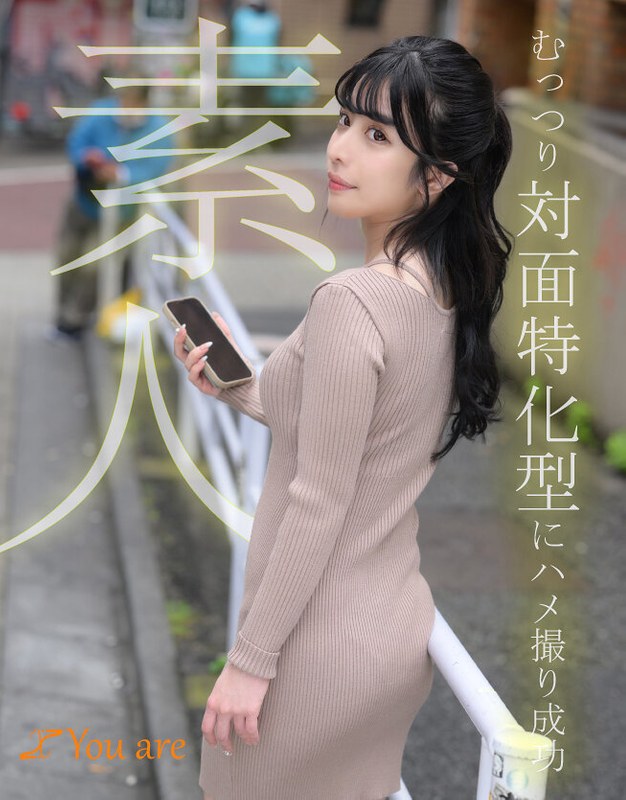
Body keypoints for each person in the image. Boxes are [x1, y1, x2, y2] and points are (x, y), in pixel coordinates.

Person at [174, 35, 512, 800]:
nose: (341, 149)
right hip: (389, 632)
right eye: (345, 121)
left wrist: (250, 661)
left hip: (313, 647)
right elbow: (356, 433)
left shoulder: (352, 302)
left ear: (437, 177)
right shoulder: (442, 286)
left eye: (378, 137)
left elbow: (320, 496)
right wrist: (237, 388)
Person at [52, 83, 174, 339]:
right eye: (123, 100)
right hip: (84, 200)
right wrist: (86, 158)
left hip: (121, 211)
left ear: (144, 103)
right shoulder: (101, 113)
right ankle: (62, 316)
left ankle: (76, 319)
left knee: (94, 266)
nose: (126, 107)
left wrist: (120, 174)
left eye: (132, 102)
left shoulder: (159, 130)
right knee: (66, 257)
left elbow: (154, 170)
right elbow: (77, 142)